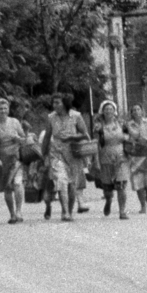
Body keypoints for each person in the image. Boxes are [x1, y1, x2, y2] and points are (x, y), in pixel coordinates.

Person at [40, 92, 89, 222]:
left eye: (57, 102)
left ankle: (69, 211)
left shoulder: (76, 116)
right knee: (61, 181)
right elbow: (46, 136)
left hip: (73, 154)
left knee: (72, 185)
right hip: (56, 154)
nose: (54, 105)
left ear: (65, 103)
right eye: (53, 102)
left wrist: (72, 137)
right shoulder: (51, 117)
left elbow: (85, 135)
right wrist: (42, 154)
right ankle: (65, 212)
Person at [0, 97, 28, 224]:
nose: (3, 111)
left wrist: (18, 139)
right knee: (7, 187)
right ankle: (12, 214)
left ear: (8, 110)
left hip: (15, 158)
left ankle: (19, 211)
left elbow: (24, 138)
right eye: (0, 109)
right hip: (1, 159)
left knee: (17, 183)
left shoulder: (15, 122)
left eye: (5, 108)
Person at [95, 100, 131, 220]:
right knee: (107, 188)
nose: (108, 111)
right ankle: (108, 200)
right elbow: (96, 143)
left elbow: (129, 136)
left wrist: (128, 139)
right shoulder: (99, 126)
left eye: (111, 109)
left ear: (114, 111)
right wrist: (95, 159)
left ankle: (122, 211)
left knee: (121, 185)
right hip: (105, 156)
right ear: (102, 111)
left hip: (120, 156)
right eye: (106, 109)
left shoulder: (121, 123)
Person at [125, 103, 147, 213]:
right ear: (131, 113)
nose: (136, 111)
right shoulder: (129, 124)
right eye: (134, 110)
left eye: (138, 109)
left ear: (142, 111)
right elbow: (134, 136)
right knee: (138, 182)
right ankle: (142, 205)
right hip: (135, 156)